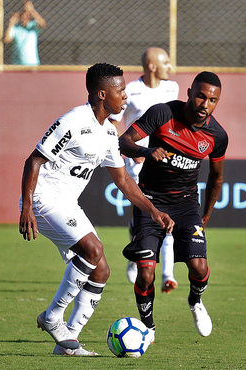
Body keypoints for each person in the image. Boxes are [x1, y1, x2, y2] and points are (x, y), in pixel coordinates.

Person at [19, 63, 174, 356]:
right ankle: (53, 316)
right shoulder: (73, 121)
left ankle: (70, 342)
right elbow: (34, 161)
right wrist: (27, 207)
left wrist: (153, 212)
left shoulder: (107, 133)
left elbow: (124, 181)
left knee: (101, 270)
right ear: (103, 94)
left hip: (65, 202)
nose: (125, 97)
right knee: (93, 249)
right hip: (42, 197)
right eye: (120, 91)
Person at [119, 71, 228, 339]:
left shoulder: (217, 136)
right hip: (150, 201)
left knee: (199, 267)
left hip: (186, 204)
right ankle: (148, 327)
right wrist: (147, 151)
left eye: (212, 100)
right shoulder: (162, 114)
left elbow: (216, 178)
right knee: (145, 274)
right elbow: (124, 142)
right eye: (201, 96)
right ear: (189, 92)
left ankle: (196, 301)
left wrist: (206, 216)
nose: (205, 104)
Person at [109, 47, 180, 292]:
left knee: (164, 215)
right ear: (152, 66)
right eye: (166, 62)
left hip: (165, 162)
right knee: (149, 215)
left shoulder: (173, 89)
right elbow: (113, 124)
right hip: (137, 163)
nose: (170, 67)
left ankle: (168, 275)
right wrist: (133, 151)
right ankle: (140, 252)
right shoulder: (131, 91)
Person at [4, 1, 46, 65]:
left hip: (32, 63)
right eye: (23, 16)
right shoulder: (15, 28)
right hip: (17, 64)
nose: (24, 18)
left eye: (27, 16)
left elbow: (42, 24)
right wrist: (11, 23)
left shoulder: (33, 26)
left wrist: (32, 10)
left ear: (29, 17)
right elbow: (7, 39)